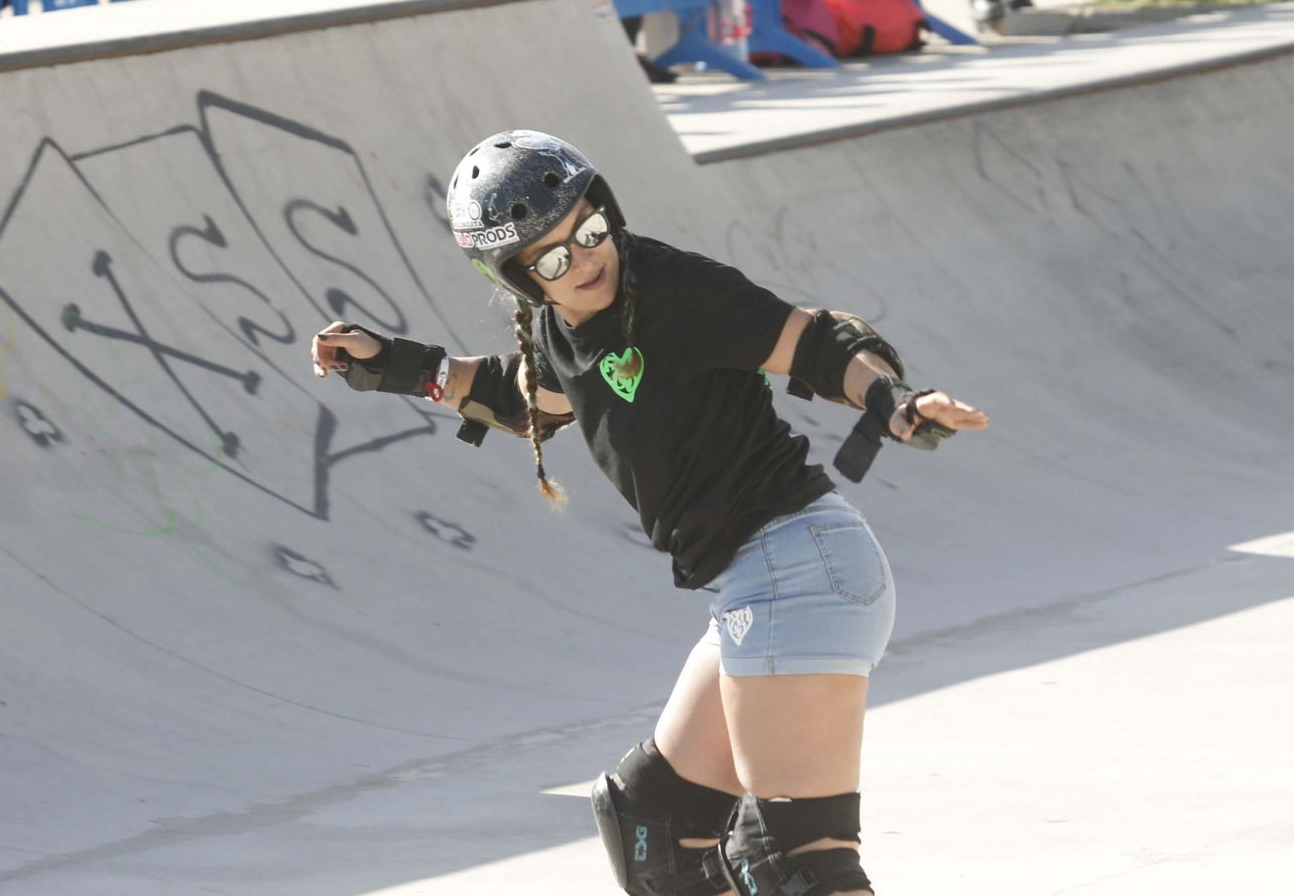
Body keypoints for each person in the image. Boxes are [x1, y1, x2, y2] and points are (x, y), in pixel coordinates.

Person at [310, 131, 987, 896]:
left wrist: (891, 400)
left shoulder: (674, 290)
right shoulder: (555, 330)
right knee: (655, 825)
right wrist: (394, 365)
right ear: (521, 279)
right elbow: (524, 396)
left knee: (796, 865)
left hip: (798, 574)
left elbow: (816, 342)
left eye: (591, 230)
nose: (586, 259)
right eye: (554, 258)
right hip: (756, 587)